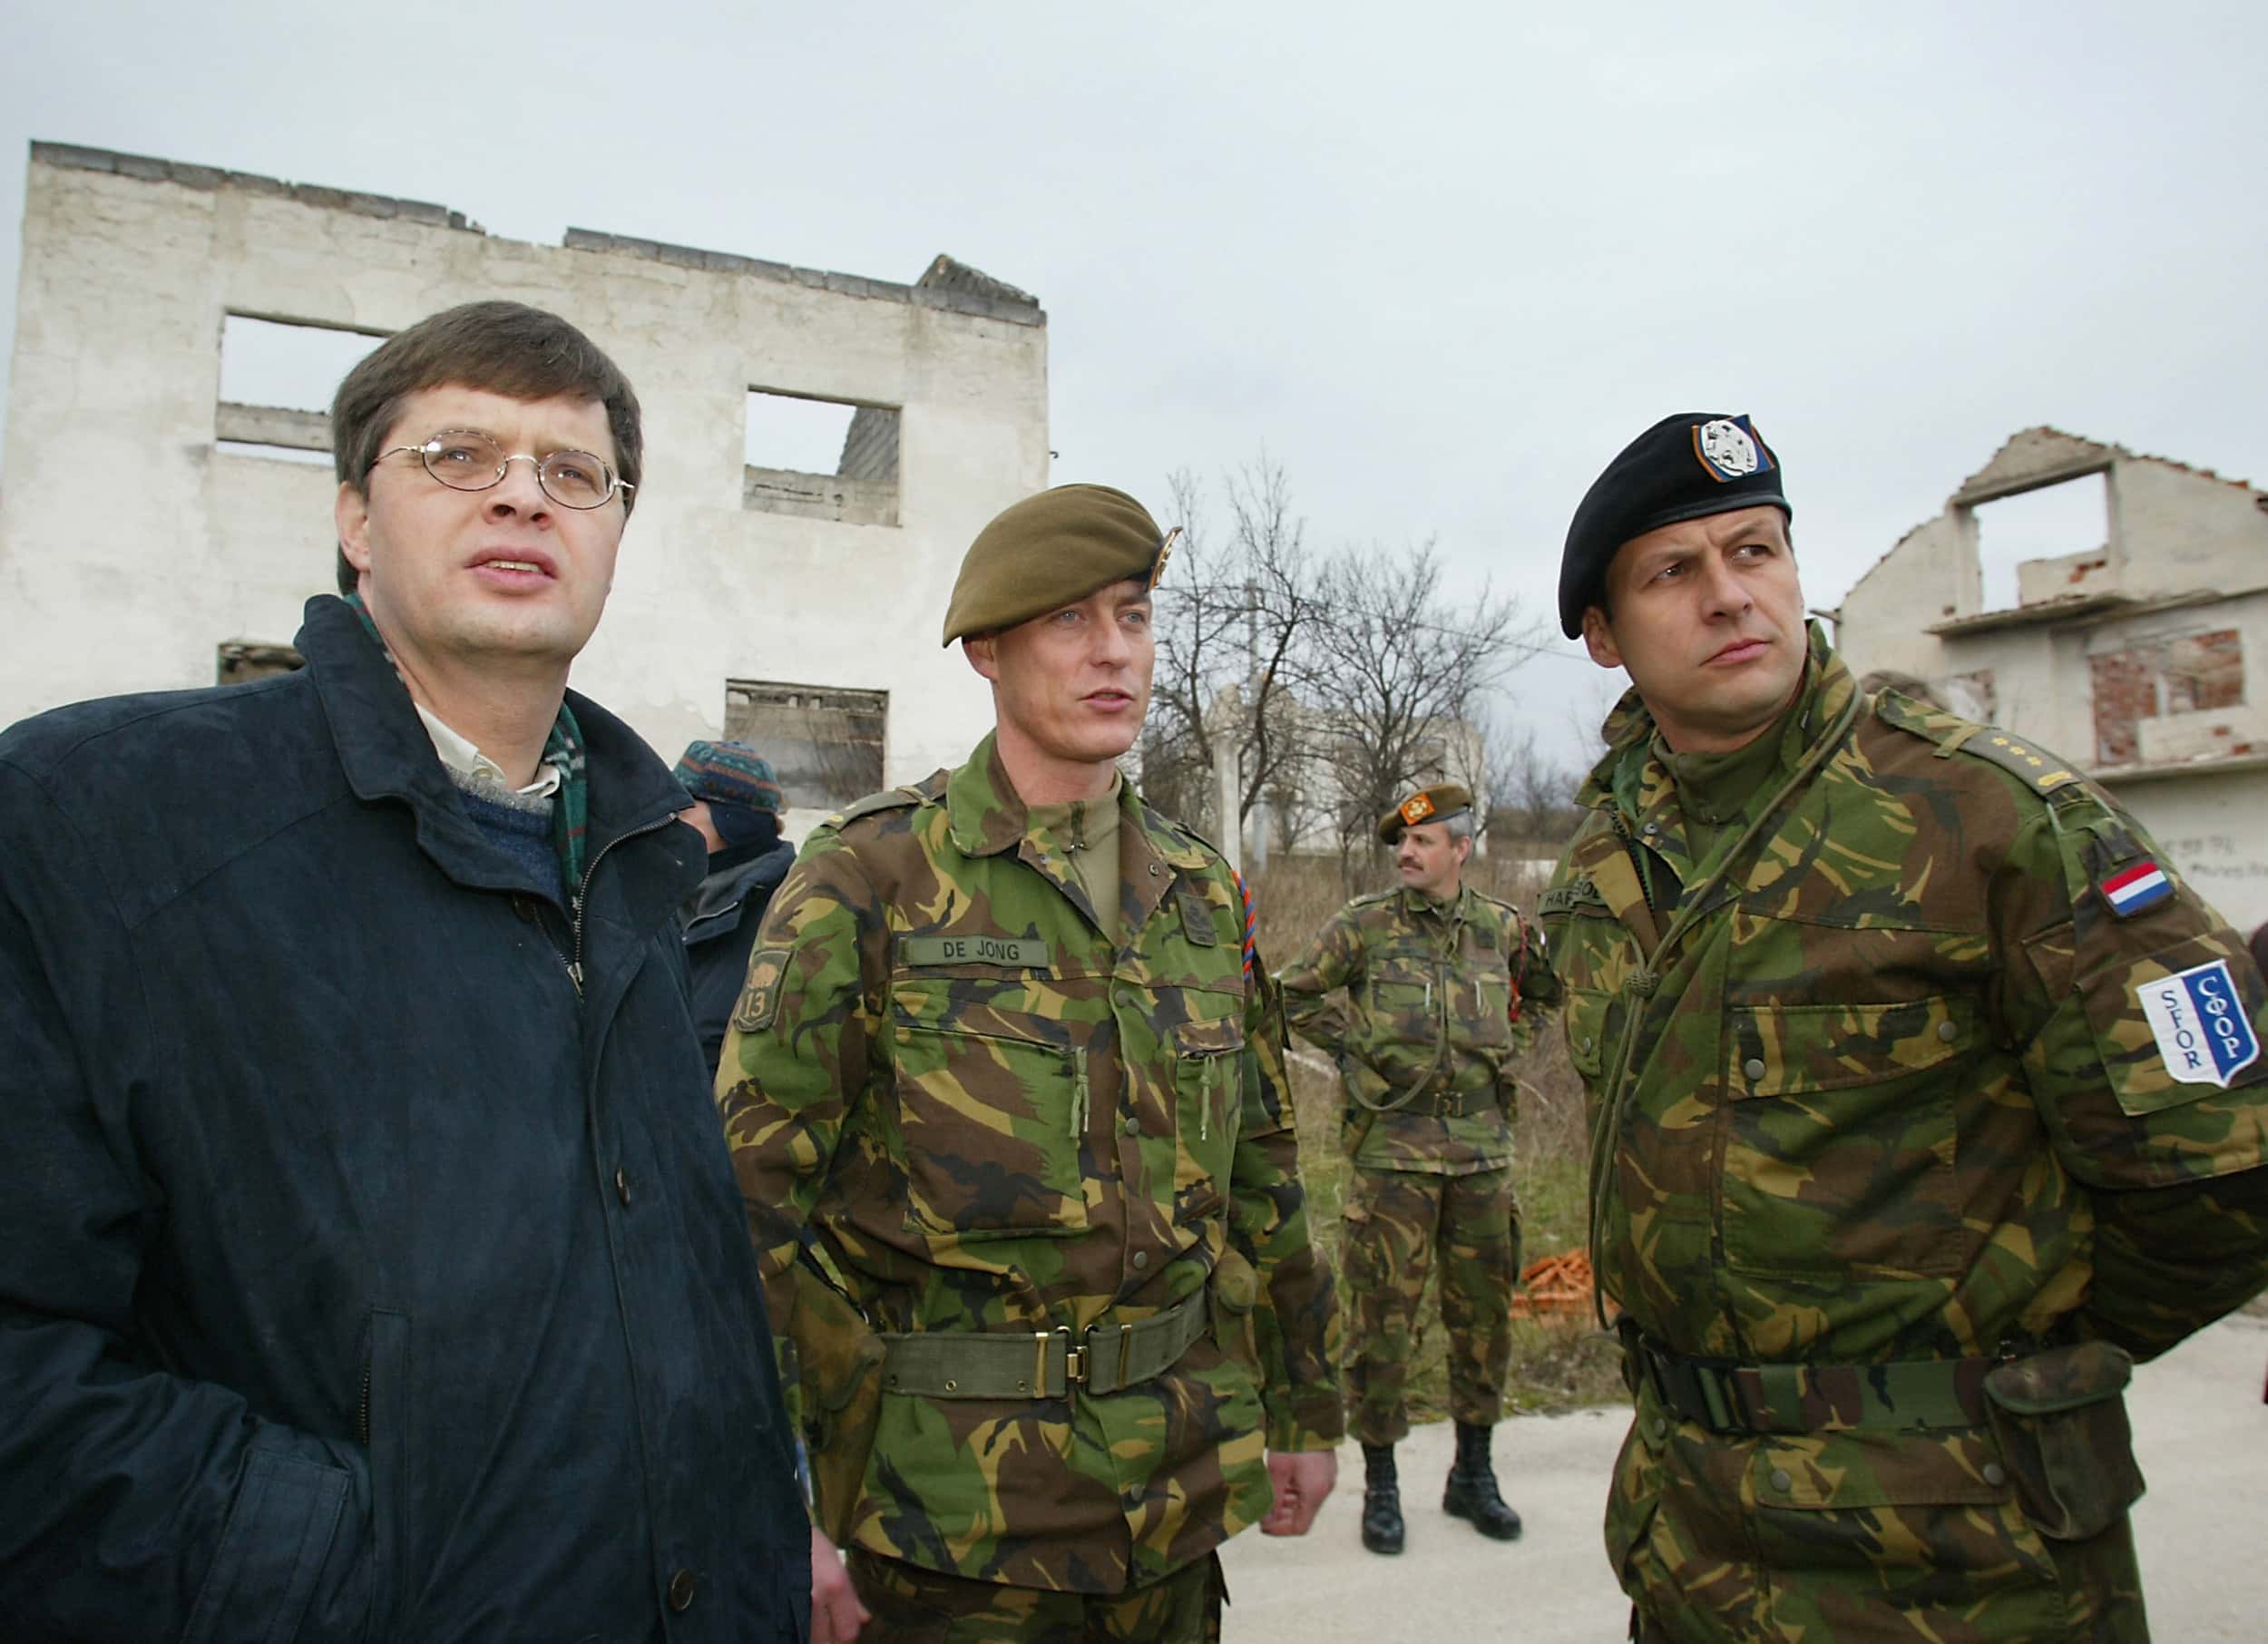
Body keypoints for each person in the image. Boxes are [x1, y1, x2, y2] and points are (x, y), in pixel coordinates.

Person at [0, 301, 807, 1639]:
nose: (522, 497)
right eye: (457, 456)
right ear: (356, 522)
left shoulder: (638, 859)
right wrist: (331, 1570)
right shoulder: (96, 819)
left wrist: (766, 1530)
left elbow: (673, 1297)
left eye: (574, 473)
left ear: (616, 533)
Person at [1542, 411, 2268, 1642]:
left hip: (1961, 1556)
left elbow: (2222, 1172)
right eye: (1673, 571)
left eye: (1756, 550)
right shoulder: (1604, 864)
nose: (1730, 596)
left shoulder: (1996, 818)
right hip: (1691, 1541)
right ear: (1604, 636)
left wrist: (2006, 1374)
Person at [718, 484, 1344, 1643]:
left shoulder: (1201, 892)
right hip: (945, 1527)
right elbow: (746, 1208)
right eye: (1068, 620)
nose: (1114, 652)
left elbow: (1262, 1170)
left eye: (1133, 615)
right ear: (987, 652)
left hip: (1174, 1500)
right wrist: (772, 1500)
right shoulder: (868, 877)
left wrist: (1305, 1404)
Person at [1276, 782, 1558, 1556]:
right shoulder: (1364, 926)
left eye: (1423, 841)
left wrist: (1513, 1045)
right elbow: (1291, 994)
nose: (1406, 852)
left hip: (1482, 1158)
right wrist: (1354, 1049)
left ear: (1461, 849)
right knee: (1380, 1326)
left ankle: (1474, 1473)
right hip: (1393, 1156)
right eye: (1402, 842)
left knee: (1483, 1321)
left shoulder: (1504, 928)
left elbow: (1545, 995)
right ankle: (1382, 1487)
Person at [675, 738, 797, 1072]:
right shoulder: (662, 902)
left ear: (733, 822)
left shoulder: (791, 912)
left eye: (682, 810)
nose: (668, 823)